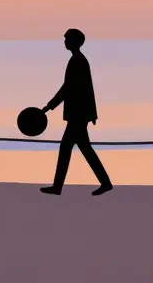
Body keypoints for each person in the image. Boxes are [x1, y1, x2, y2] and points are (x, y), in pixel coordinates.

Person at [40, 28, 113, 196]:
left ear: (75, 42)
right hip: (80, 114)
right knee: (84, 149)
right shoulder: (78, 60)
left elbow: (69, 88)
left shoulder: (77, 61)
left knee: (67, 148)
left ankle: (58, 186)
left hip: (78, 115)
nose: (65, 42)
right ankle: (105, 182)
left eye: (67, 39)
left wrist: (49, 106)